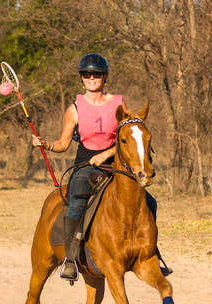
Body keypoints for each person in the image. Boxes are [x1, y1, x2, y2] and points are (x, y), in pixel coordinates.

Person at [32, 53, 171, 281]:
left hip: (114, 164)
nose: (91, 78)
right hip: (85, 165)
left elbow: (126, 137)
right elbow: (64, 144)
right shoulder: (74, 109)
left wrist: (106, 153)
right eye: (87, 74)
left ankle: (152, 253)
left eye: (96, 74)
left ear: (104, 77)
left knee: (150, 201)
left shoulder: (118, 103)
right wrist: (45, 144)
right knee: (76, 196)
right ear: (82, 78)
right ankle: (70, 258)